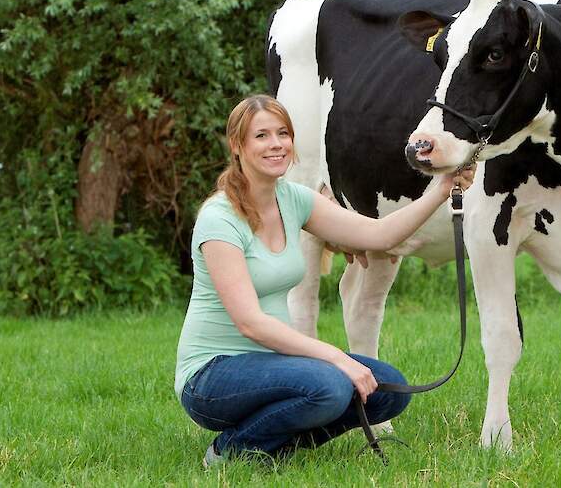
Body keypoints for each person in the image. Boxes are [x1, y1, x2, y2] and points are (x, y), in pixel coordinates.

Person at [175, 94, 475, 467]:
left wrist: (442, 190)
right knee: (331, 387)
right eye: (261, 136)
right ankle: (231, 450)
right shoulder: (219, 218)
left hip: (271, 366)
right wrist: (337, 358)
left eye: (283, 133)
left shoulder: (293, 200)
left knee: (388, 390)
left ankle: (273, 446)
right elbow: (250, 323)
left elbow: (379, 235)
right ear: (237, 146)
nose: (276, 144)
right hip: (211, 377)